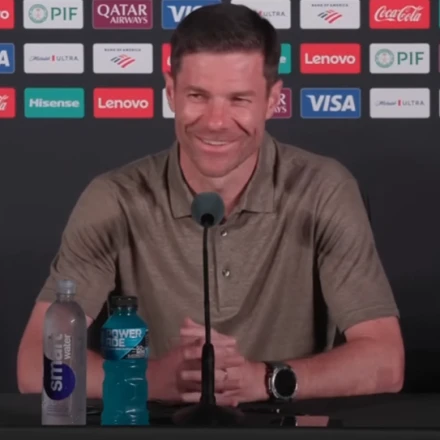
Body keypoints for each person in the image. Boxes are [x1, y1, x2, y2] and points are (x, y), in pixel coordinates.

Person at [17, 3, 404, 406]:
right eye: (198, 96)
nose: (216, 121)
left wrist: (262, 379)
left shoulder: (324, 189)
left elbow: (385, 359)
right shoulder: (114, 198)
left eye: (239, 99)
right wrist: (151, 380)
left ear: (273, 100)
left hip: (285, 427)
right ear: (171, 92)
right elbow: (34, 364)